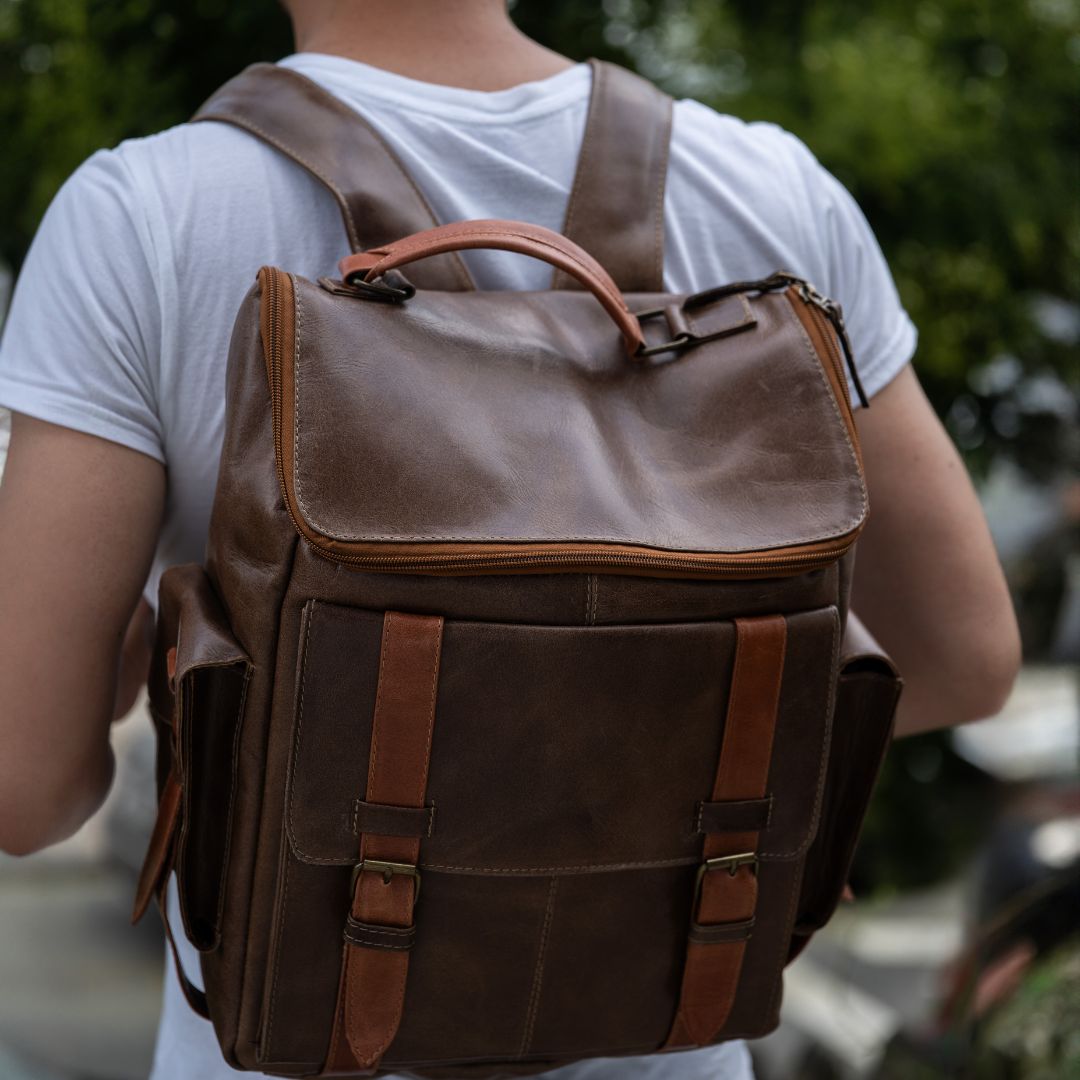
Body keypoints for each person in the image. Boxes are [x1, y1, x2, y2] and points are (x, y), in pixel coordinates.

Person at [0, 2, 1021, 1078]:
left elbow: (26, 793)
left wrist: (154, 651)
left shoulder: (143, 216)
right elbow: (963, 663)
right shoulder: (771, 192)